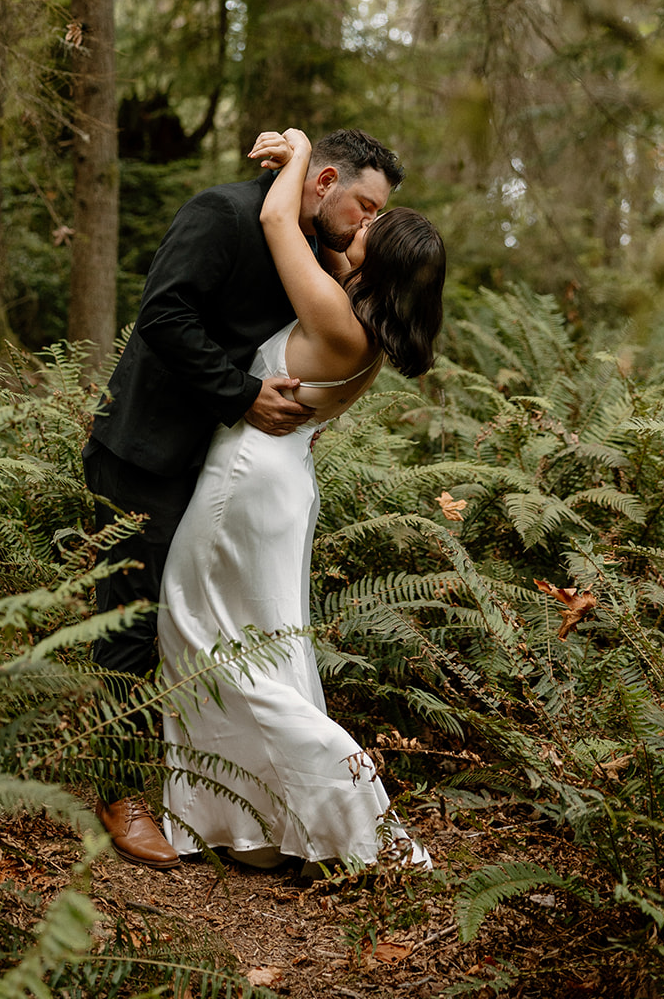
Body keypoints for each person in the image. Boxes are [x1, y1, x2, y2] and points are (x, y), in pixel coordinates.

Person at [84, 129, 405, 867]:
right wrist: (242, 395)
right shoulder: (224, 213)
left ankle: (213, 797)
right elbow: (163, 316)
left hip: (220, 467)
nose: (365, 227)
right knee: (130, 624)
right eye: (363, 206)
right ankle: (116, 791)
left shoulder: (311, 248)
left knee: (203, 632)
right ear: (324, 179)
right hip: (148, 451)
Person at [158, 128, 446, 872]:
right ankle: (255, 826)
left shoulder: (334, 316)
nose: (357, 226)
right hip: (282, 488)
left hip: (245, 482)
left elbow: (275, 221)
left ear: (377, 263)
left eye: (370, 227)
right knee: (264, 646)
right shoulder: (366, 330)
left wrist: (299, 148)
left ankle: (357, 816)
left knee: (204, 636)